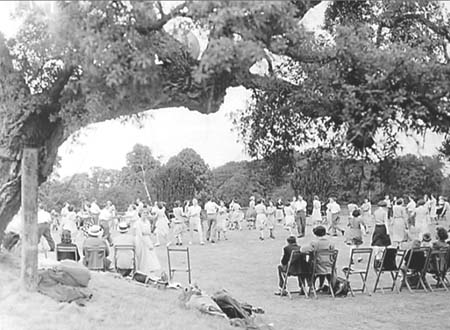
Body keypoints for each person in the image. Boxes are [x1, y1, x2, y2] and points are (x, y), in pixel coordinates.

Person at [301, 226, 336, 291]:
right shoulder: (331, 243)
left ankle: (311, 286)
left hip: (317, 265)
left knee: (306, 267)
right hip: (329, 265)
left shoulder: (314, 243)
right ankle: (321, 285)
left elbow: (303, 250)